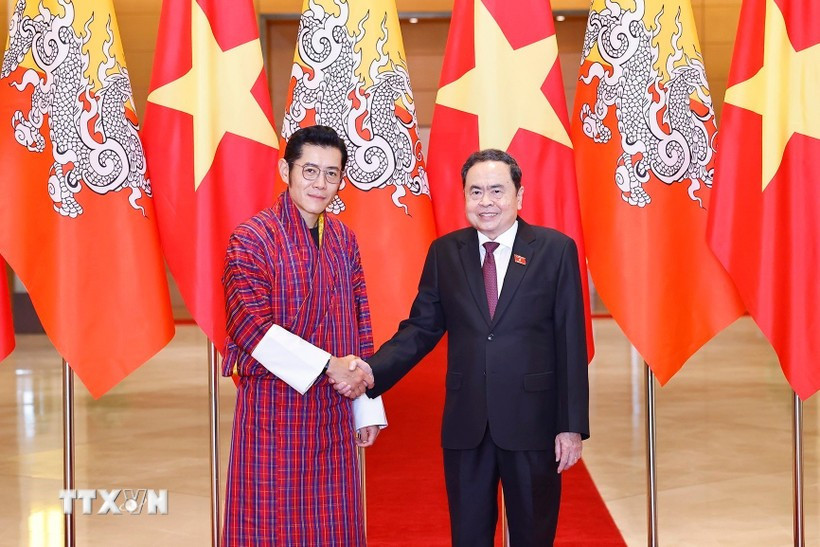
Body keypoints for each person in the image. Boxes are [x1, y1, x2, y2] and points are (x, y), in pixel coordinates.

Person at [363, 149, 589, 546]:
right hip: (467, 426)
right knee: (468, 536)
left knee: (533, 536)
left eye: (497, 191)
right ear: (464, 197)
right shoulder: (446, 252)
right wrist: (372, 372)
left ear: (519, 195)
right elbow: (421, 328)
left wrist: (570, 426)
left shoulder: (555, 250)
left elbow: (570, 340)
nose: (486, 202)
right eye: (476, 191)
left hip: (533, 424)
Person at [221, 125, 387, 546]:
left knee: (335, 525)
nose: (320, 183)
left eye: (332, 174)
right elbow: (250, 326)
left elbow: (359, 317)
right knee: (273, 526)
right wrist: (327, 365)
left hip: (334, 408)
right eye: (309, 170)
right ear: (286, 170)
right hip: (275, 412)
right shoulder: (251, 238)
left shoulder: (343, 239)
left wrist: (366, 403)